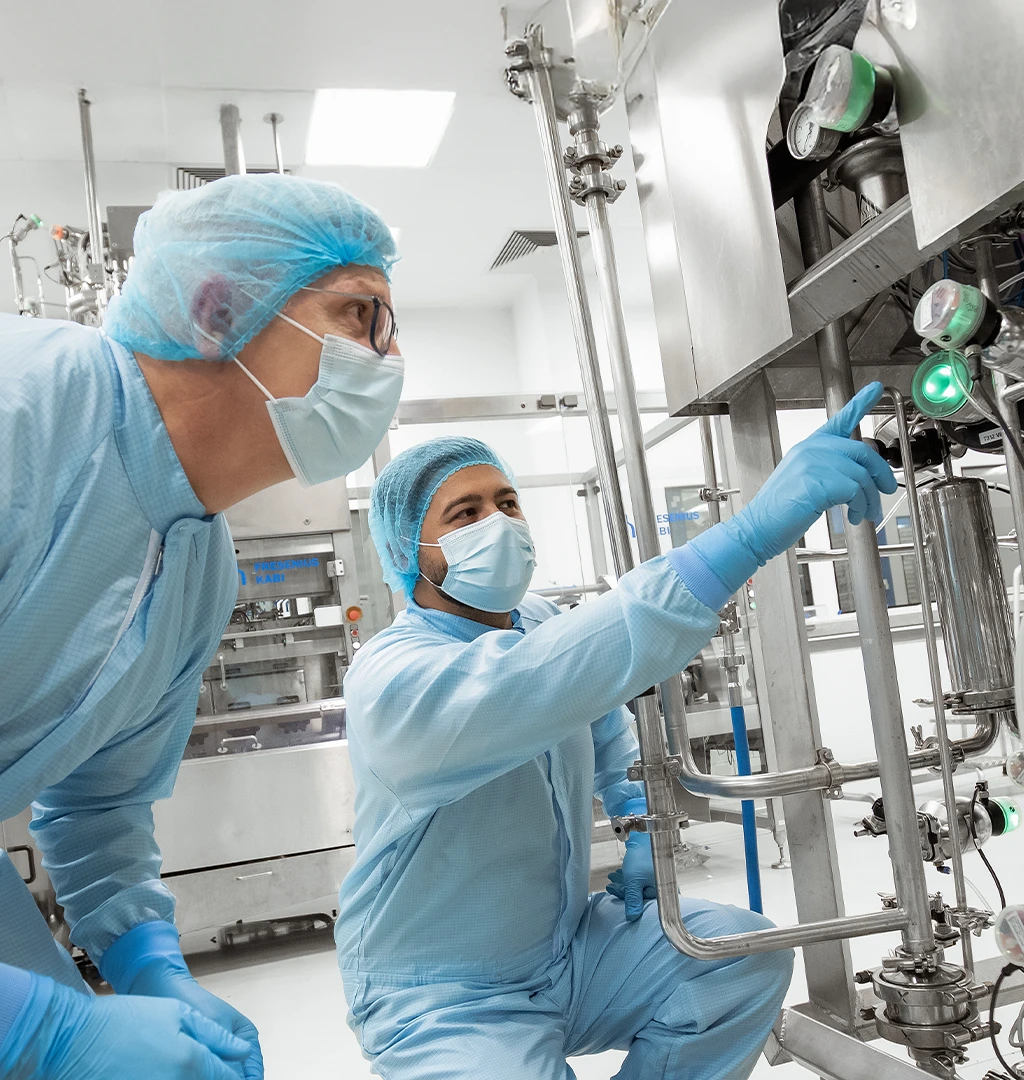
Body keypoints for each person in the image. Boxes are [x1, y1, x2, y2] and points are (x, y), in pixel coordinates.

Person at [337, 382, 896, 1079]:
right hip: (445, 991)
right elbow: (542, 680)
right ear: (406, 549)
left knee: (737, 957)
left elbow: (601, 717)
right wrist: (748, 535)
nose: (499, 522)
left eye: (507, 502)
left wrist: (635, 817)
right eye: (466, 513)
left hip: (567, 946)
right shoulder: (393, 677)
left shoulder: (536, 618)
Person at [0, 173, 404, 1080]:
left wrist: (147, 964)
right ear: (217, 311)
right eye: (358, 314)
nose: (388, 358)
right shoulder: (21, 408)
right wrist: (45, 1034)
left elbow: (98, 796)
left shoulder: (198, 563)